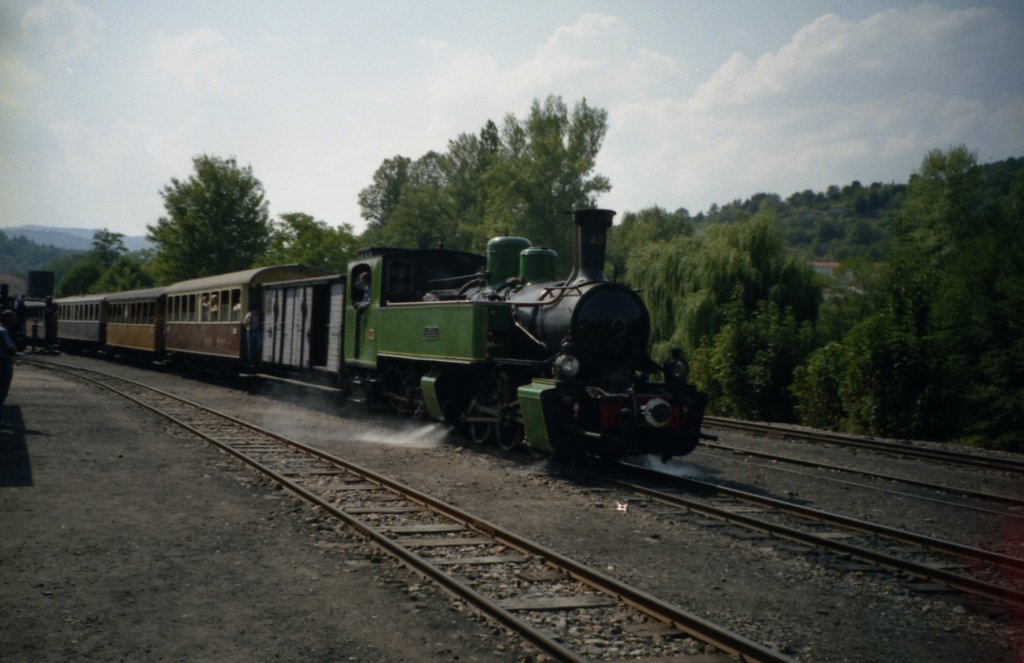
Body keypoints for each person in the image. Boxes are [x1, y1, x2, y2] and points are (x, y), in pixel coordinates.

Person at [0, 309, 17, 428]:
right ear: (6, 319)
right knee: (2, 391)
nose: (14, 322)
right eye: (12, 319)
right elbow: (11, 349)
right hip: (3, 363)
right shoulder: (3, 331)